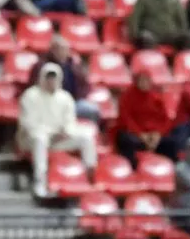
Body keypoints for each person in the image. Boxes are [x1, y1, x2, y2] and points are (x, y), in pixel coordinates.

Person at [17, 63, 97, 198]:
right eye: (48, 78)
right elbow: (28, 124)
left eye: (54, 78)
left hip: (59, 139)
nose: (51, 81)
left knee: (87, 136)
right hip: (32, 140)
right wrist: (49, 133)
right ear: (42, 78)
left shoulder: (65, 97)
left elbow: (70, 121)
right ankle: (40, 182)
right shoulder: (30, 96)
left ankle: (88, 177)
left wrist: (65, 132)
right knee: (40, 139)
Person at [115, 68, 173, 168]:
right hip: (135, 133)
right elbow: (126, 120)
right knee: (128, 141)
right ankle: (133, 169)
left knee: (172, 142)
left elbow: (165, 119)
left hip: (153, 135)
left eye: (147, 80)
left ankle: (168, 170)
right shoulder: (127, 96)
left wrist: (158, 134)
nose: (144, 83)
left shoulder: (156, 97)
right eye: (142, 80)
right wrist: (141, 135)